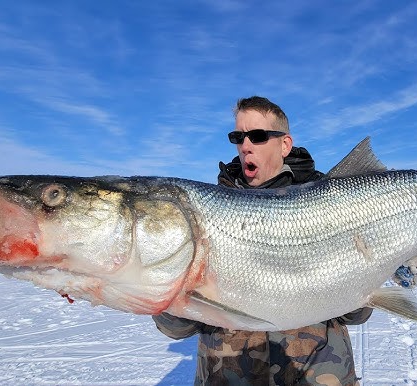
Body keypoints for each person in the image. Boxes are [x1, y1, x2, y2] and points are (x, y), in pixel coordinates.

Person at [153, 96, 373, 385]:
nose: (245, 146)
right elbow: (176, 329)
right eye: (238, 136)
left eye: (257, 136)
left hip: (318, 373)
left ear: (285, 144)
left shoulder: (339, 205)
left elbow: (357, 314)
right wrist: (168, 290)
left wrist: (383, 264)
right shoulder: (204, 216)